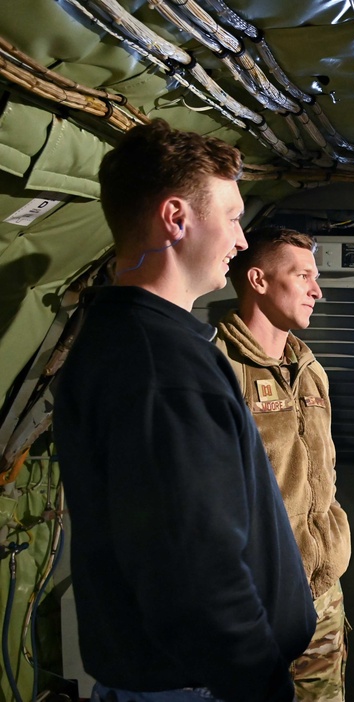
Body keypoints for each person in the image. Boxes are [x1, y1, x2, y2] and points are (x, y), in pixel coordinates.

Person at [53, 119, 316, 701]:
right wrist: (264, 686)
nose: (241, 239)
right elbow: (197, 570)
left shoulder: (129, 339)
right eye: (231, 217)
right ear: (176, 219)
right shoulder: (160, 370)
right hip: (198, 688)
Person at [216, 226, 351, 701]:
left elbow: (325, 472)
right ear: (258, 279)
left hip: (323, 591)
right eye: (303, 276)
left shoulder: (309, 368)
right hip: (259, 599)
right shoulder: (219, 368)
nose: (317, 290)